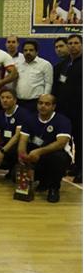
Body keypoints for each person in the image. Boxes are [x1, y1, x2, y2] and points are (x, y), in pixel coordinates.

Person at [17, 94, 72, 203]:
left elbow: (61, 143)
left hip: (55, 155)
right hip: (36, 156)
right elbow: (23, 140)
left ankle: (54, 189)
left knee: (59, 158)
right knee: (16, 175)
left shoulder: (63, 120)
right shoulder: (30, 118)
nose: (43, 106)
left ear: (53, 106)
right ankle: (43, 181)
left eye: (47, 104)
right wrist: (22, 156)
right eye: (40, 103)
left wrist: (39, 151)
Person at [0, 88, 31, 178]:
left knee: (10, 153)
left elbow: (17, 136)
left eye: (8, 97)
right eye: (2, 97)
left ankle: (14, 168)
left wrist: (2, 151)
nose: (5, 100)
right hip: (5, 144)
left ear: (15, 100)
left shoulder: (22, 113)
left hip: (18, 146)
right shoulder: (0, 114)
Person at [53, 34, 82, 183]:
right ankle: (71, 165)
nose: (72, 46)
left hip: (80, 110)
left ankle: (81, 169)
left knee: (80, 139)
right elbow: (56, 87)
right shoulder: (62, 66)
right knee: (65, 139)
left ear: (81, 45)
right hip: (63, 110)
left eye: (76, 43)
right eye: (70, 43)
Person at [15, 40, 52, 113]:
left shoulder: (45, 64)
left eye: (31, 50)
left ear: (37, 52)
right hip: (19, 102)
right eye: (25, 50)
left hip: (36, 102)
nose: (28, 52)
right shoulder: (18, 64)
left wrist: (44, 100)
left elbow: (48, 83)